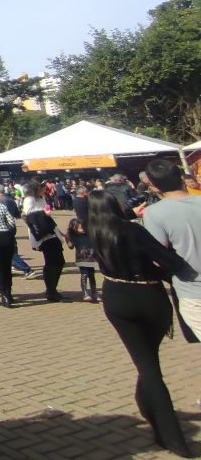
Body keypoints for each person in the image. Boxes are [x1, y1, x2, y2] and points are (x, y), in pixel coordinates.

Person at [87, 190, 192, 457]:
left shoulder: (94, 230)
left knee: (146, 362)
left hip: (116, 297)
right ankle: (171, 436)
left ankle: (147, 406)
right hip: (147, 294)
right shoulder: (131, 230)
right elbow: (170, 261)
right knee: (150, 365)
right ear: (115, 205)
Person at [141, 158, 201, 340]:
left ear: (154, 186)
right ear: (182, 178)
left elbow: (157, 256)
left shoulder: (154, 213)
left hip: (193, 290)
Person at [22, 181, 68, 302]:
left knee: (59, 261)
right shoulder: (29, 199)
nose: (45, 190)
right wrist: (44, 214)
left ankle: (52, 289)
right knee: (52, 262)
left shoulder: (42, 199)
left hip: (51, 231)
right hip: (42, 234)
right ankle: (51, 290)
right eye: (43, 188)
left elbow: (48, 216)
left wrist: (58, 230)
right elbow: (28, 216)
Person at [65, 218, 97, 302]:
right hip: (81, 258)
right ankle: (85, 293)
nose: (82, 229)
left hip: (91, 258)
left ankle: (94, 293)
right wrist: (67, 238)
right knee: (84, 274)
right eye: (80, 228)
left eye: (83, 227)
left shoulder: (89, 234)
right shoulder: (74, 236)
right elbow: (70, 247)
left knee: (91, 274)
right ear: (74, 229)